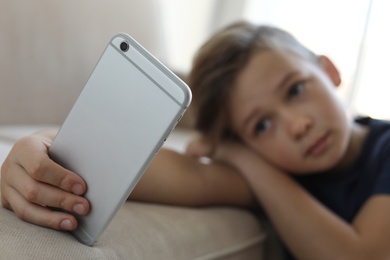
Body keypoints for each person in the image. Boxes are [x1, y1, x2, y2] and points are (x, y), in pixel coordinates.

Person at [2, 20, 390, 259]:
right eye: (261, 126)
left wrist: (243, 154)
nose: (296, 126)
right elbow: (177, 173)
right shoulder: (279, 171)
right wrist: (45, 147)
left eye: (294, 90)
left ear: (330, 71)